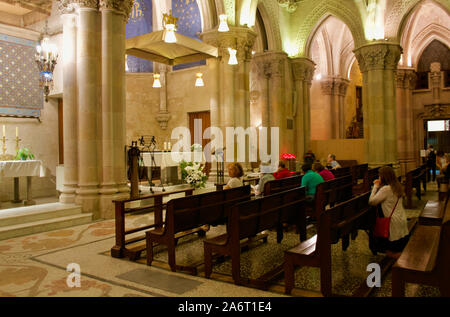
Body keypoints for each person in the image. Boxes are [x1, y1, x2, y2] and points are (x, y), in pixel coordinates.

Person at [368, 166, 409, 259]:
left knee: (390, 253)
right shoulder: (397, 186)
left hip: (392, 223)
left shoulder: (386, 189)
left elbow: (372, 202)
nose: (378, 178)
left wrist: (375, 186)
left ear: (383, 177)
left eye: (379, 176)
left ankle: (407, 257)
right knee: (398, 247)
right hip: (401, 220)